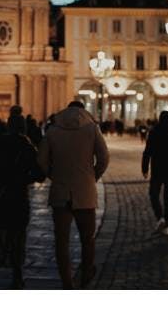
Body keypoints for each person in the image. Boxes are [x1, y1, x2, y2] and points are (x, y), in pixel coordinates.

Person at [0, 106, 45, 289]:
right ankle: (17, 275)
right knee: (18, 238)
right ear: (23, 128)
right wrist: (22, 179)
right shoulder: (27, 146)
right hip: (18, 200)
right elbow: (40, 174)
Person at [39, 101, 109, 289]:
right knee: (88, 238)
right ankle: (86, 272)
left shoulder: (53, 130)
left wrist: (53, 175)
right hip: (84, 191)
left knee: (61, 241)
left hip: (60, 191)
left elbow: (42, 161)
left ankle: (66, 281)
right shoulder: (92, 129)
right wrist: (93, 175)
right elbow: (104, 158)